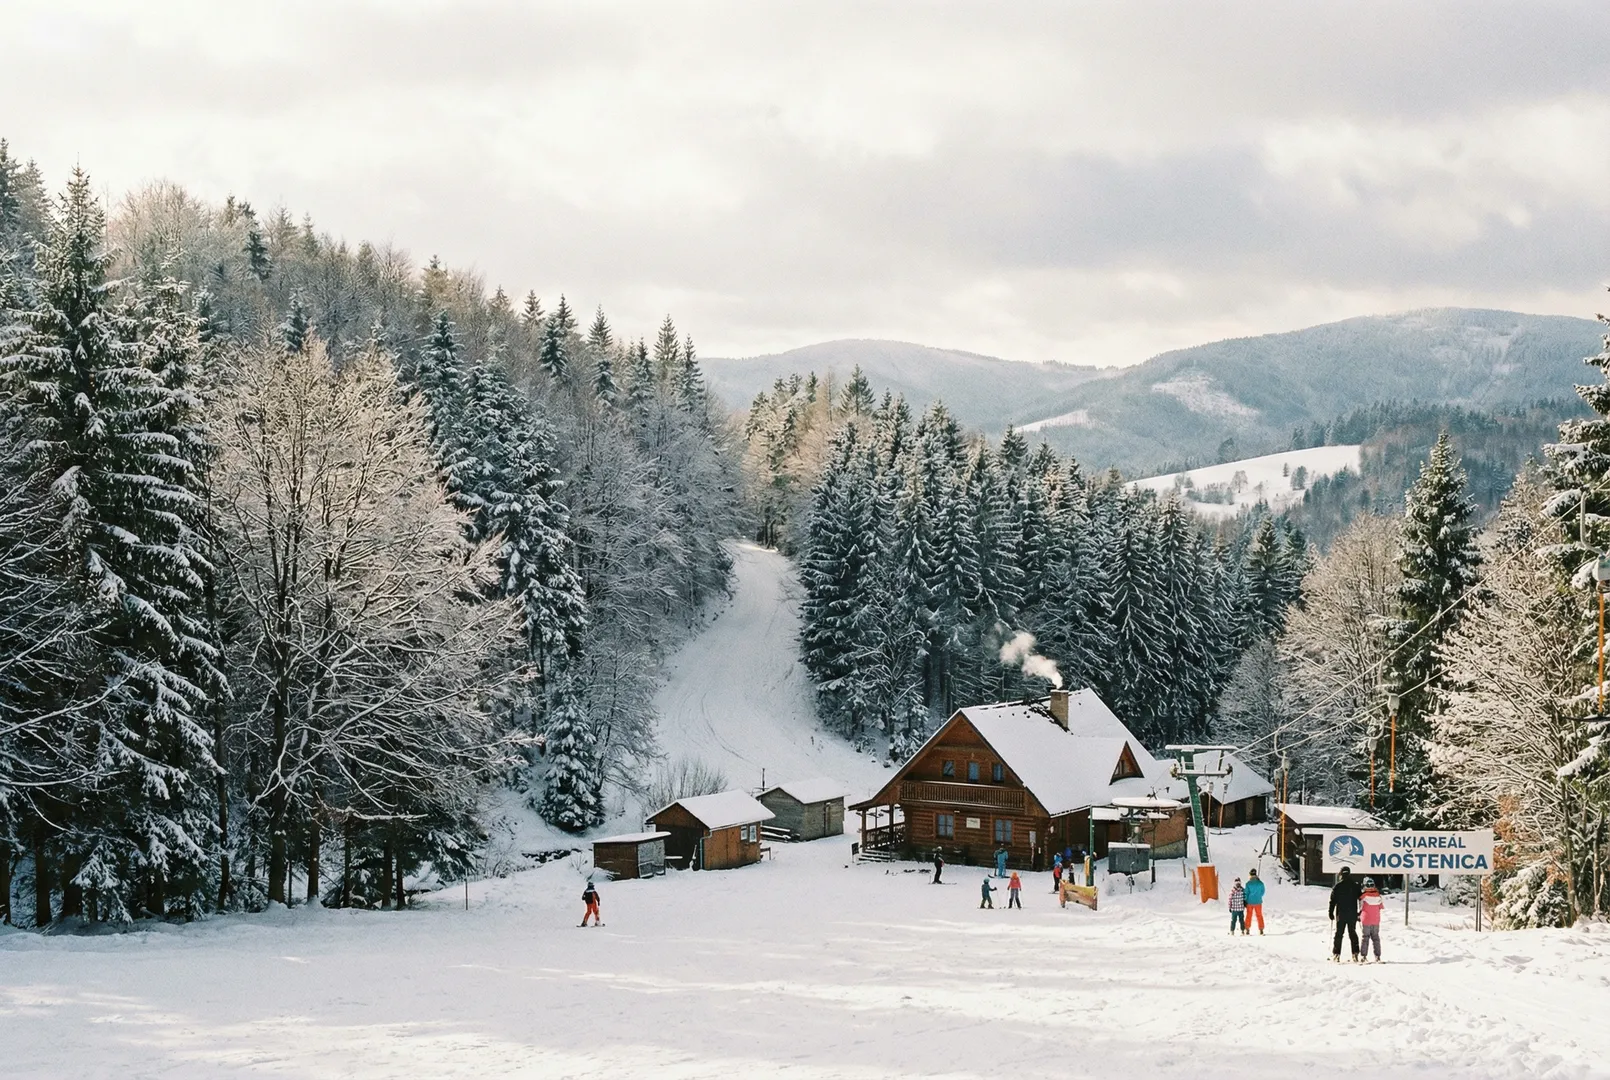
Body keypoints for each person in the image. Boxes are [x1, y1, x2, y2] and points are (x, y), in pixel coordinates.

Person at [1328, 867, 1363, 961]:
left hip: (1341, 914)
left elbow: (1332, 901)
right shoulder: (1355, 886)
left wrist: (1330, 912)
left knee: (1339, 934)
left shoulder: (1338, 886)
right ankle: (1355, 953)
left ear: (1341, 874)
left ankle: (1336, 954)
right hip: (1352, 914)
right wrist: (1361, 912)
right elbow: (1361, 899)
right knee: (1352, 933)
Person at [1359, 878, 1385, 961]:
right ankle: (1377, 956)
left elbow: (1360, 907)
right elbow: (1381, 907)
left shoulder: (1363, 896)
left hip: (1366, 919)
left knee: (1365, 937)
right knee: (1376, 938)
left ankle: (1363, 956)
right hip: (1376, 920)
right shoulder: (1378, 896)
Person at [1243, 868, 1266, 935]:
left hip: (1250, 902)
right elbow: (1263, 892)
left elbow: (1246, 893)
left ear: (1250, 875)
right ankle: (1261, 929)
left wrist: (1245, 900)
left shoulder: (1248, 883)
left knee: (1249, 915)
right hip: (1258, 901)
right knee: (1259, 915)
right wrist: (1259, 896)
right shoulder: (1260, 883)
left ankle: (1247, 929)